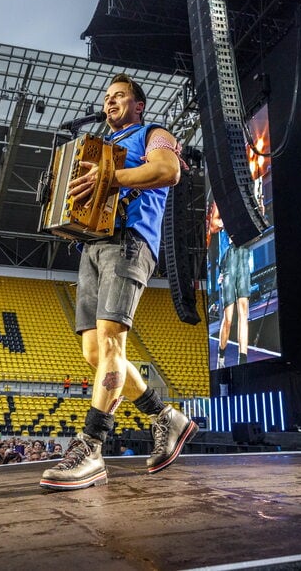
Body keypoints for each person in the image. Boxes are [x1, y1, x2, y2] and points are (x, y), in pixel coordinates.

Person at [39, 73, 197, 491]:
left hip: (129, 241)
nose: (110, 103)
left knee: (111, 343)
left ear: (138, 105)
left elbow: (167, 171)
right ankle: (165, 416)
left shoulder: (154, 133)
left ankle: (91, 447)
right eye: (107, 98)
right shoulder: (100, 146)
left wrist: (110, 178)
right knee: (95, 353)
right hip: (91, 245)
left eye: (120, 96)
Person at [208, 202, 250, 368]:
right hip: (228, 258)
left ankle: (243, 360)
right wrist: (228, 223)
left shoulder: (247, 198)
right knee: (228, 319)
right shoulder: (221, 200)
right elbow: (213, 225)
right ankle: (221, 356)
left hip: (243, 254)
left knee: (244, 311)